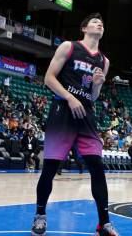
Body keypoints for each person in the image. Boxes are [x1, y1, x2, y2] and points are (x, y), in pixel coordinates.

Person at [31, 13, 117, 236]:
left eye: (102, 23)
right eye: (95, 22)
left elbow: (94, 96)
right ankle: (40, 216)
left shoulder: (104, 61)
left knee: (97, 168)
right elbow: (49, 78)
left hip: (86, 115)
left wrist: (97, 85)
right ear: (84, 28)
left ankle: (104, 224)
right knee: (50, 168)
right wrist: (69, 97)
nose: (99, 24)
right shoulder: (69, 47)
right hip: (63, 111)